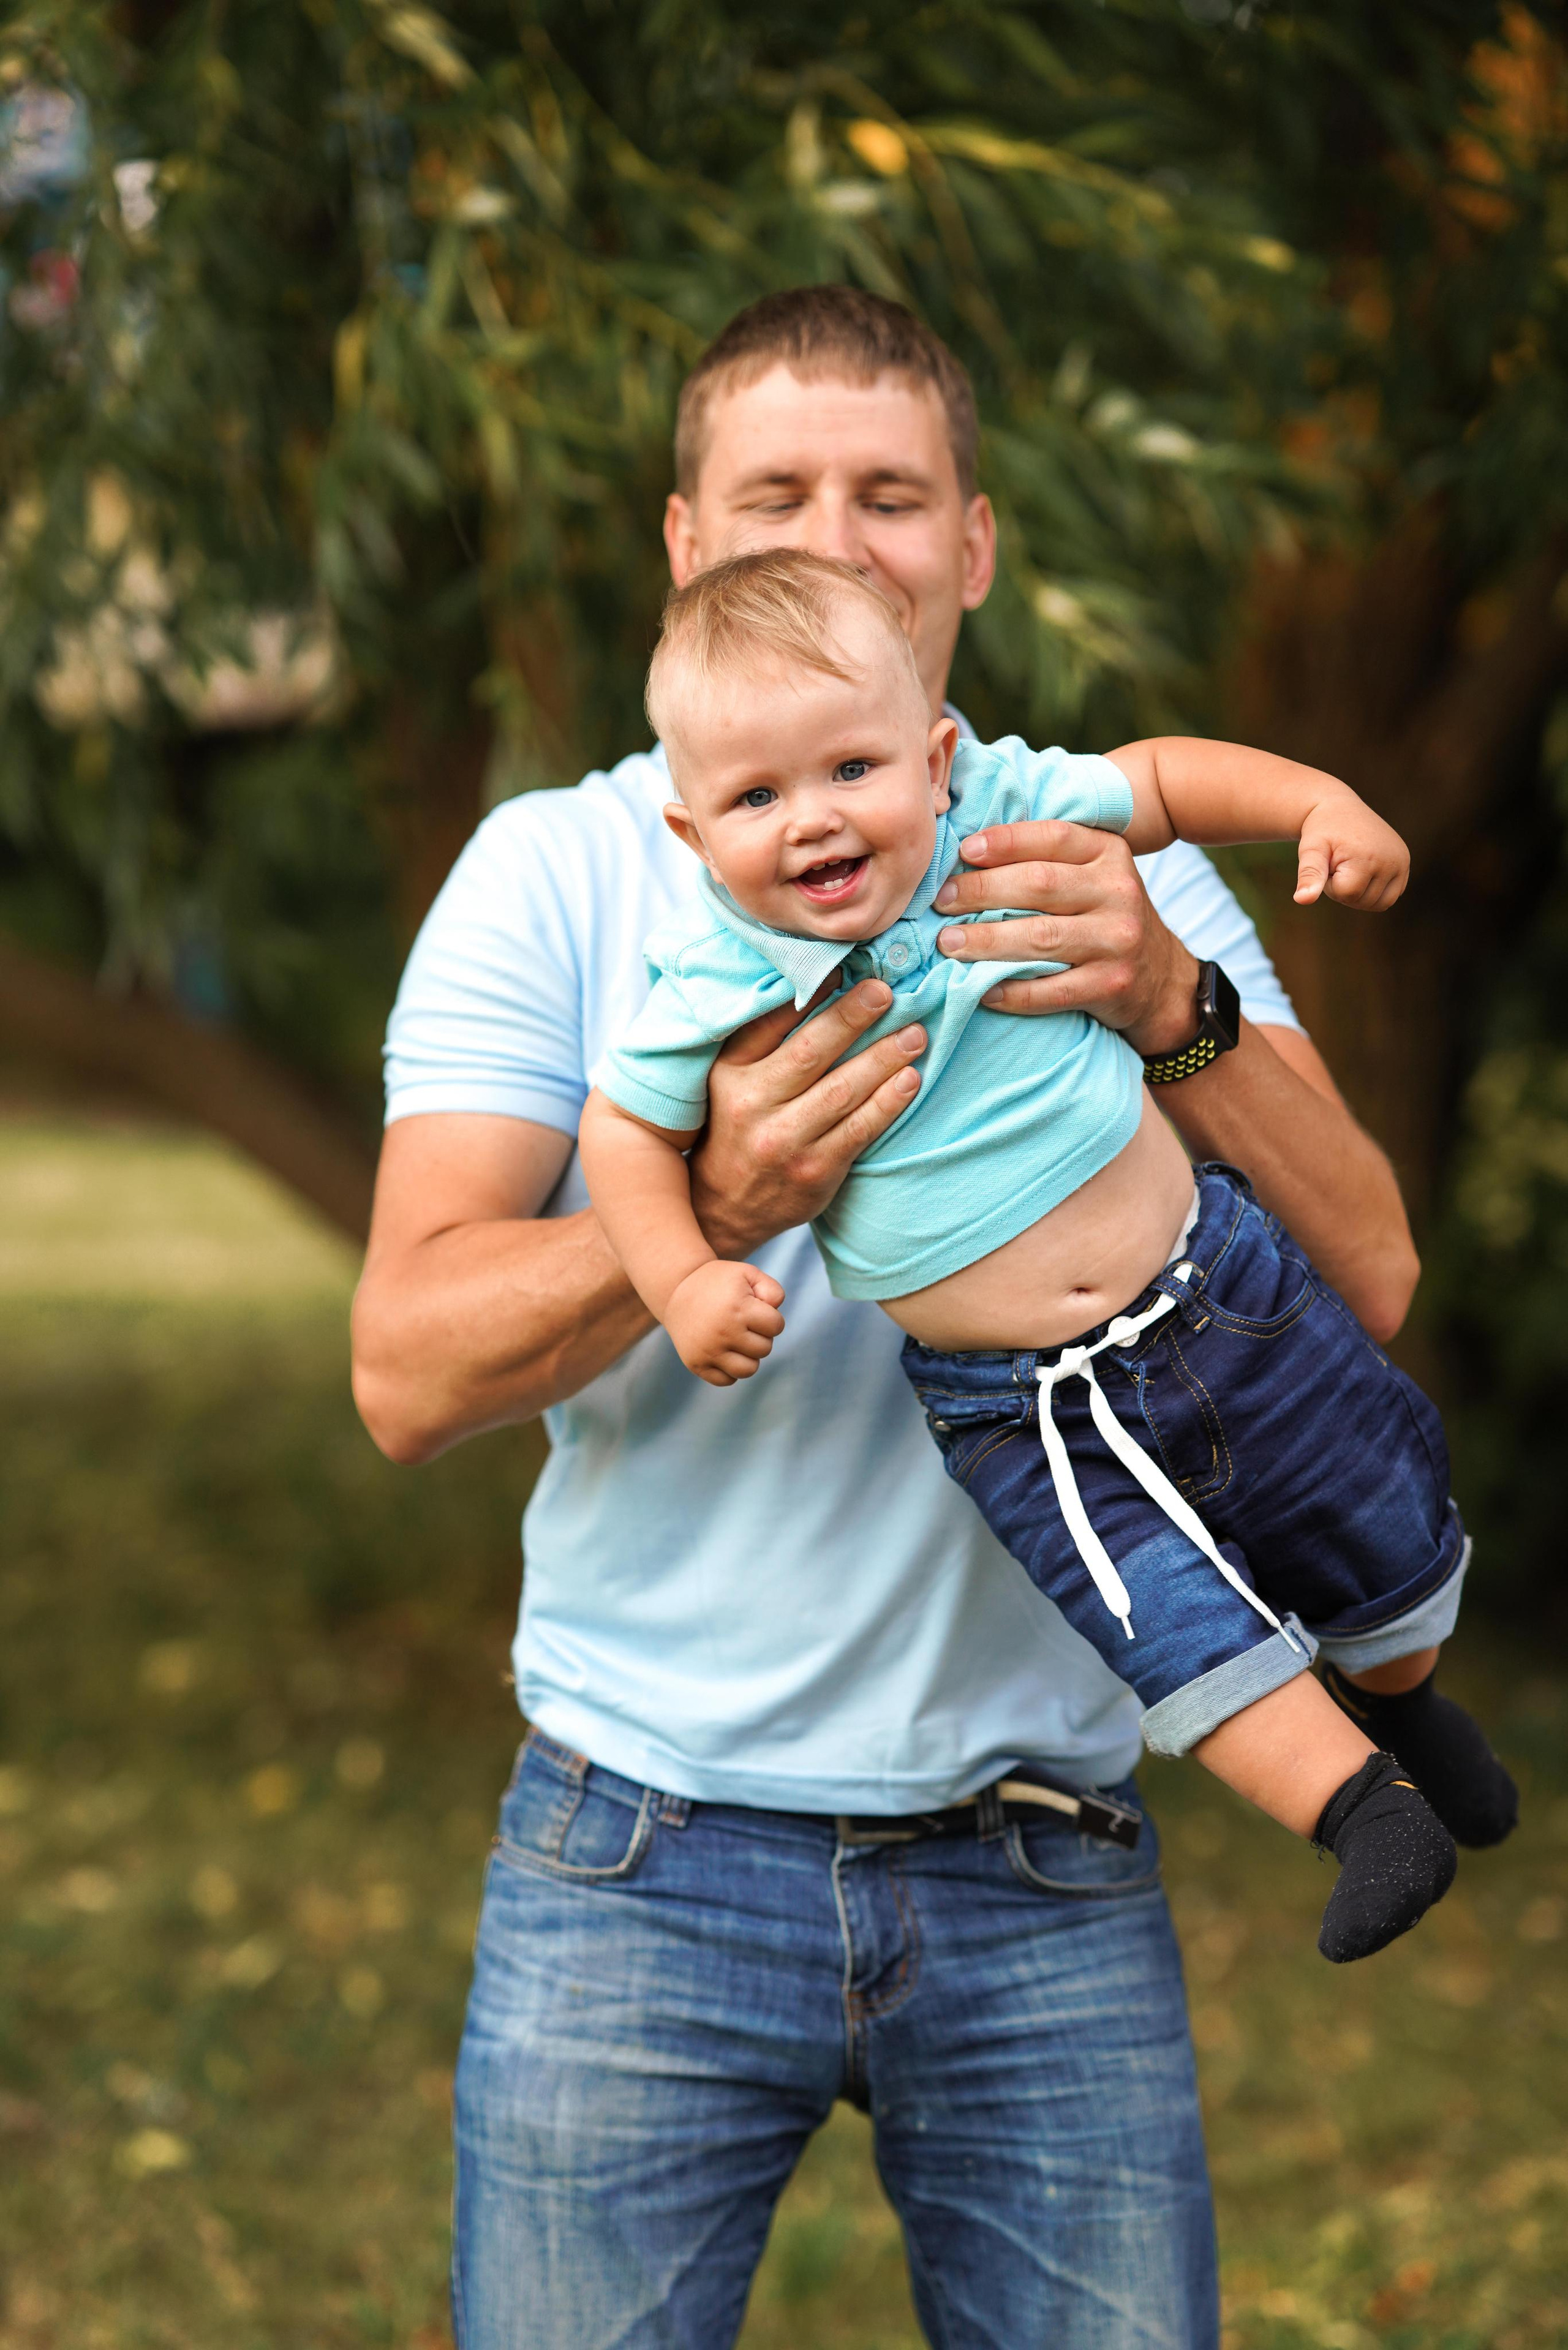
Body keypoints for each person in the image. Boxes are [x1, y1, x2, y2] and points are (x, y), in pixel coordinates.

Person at [353, 287, 1428, 2350]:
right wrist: (706, 1213)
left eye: (894, 494)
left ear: (977, 545)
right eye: (778, 494)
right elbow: (404, 1366)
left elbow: (1371, 1269)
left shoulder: (1094, 854)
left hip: (1044, 1852)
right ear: (689, 542)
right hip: (641, 1845)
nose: (839, 539)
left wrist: (1172, 1004)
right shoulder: (561, 874)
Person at [581, 547, 1517, 1968]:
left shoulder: (1000, 821)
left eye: (851, 768)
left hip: (1216, 1283)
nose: (812, 817)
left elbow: (1160, 780)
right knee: (1159, 1618)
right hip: (1021, 1409)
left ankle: (1403, 1705)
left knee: (1368, 1514)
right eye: (755, 797)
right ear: (691, 828)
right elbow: (623, 1131)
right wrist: (682, 1276)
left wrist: (1314, 802)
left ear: (934, 756)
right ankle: (1361, 1814)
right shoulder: (719, 973)